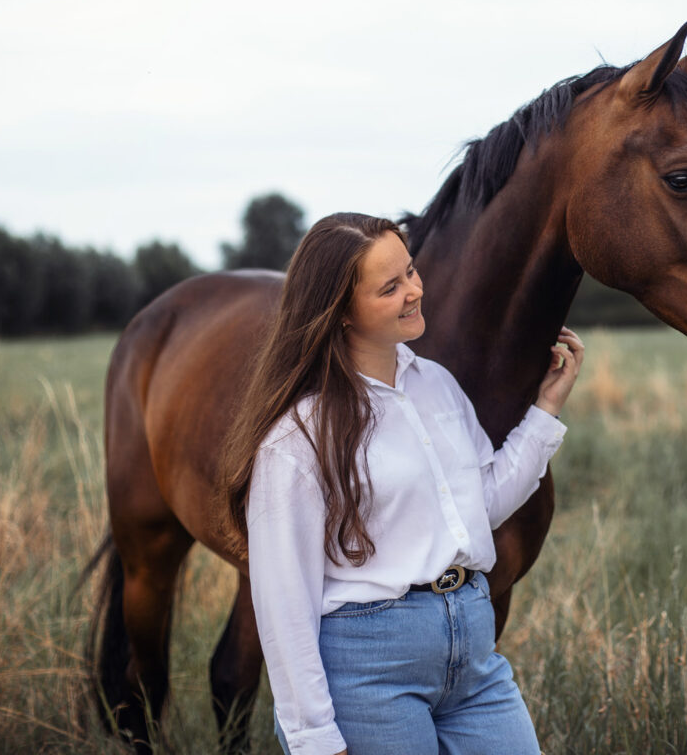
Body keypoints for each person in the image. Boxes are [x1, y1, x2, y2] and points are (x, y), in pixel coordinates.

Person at [220, 212, 584, 755]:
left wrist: (546, 408)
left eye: (410, 272)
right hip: (368, 672)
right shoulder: (298, 437)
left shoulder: (436, 386)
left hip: (473, 655)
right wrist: (314, 738)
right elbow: (282, 600)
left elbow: (479, 506)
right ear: (341, 313)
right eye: (390, 287)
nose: (414, 291)